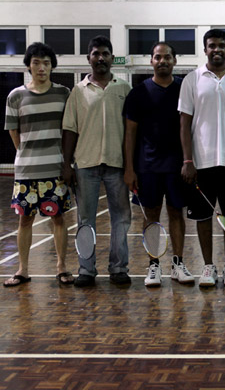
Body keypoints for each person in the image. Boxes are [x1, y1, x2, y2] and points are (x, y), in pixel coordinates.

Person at [179, 29, 225, 287]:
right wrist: (188, 161)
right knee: (202, 217)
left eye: (221, 45)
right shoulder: (192, 79)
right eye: (212, 45)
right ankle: (208, 267)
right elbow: (184, 123)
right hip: (202, 162)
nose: (216, 49)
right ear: (205, 49)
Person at [62, 35, 132, 287]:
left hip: (117, 164)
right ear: (88, 58)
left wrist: (131, 165)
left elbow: (131, 130)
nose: (100, 58)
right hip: (85, 165)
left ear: (112, 58)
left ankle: (119, 268)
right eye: (96, 54)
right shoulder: (78, 91)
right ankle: (86, 270)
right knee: (85, 220)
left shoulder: (124, 89)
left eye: (105, 53)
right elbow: (70, 129)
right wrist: (66, 165)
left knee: (121, 218)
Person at [123, 42, 194, 287]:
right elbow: (130, 133)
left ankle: (177, 264)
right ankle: (154, 265)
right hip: (147, 167)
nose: (162, 61)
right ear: (151, 61)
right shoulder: (138, 93)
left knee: (176, 213)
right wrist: (129, 169)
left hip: (177, 166)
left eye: (167, 57)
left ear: (175, 61)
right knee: (151, 215)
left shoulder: (184, 88)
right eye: (158, 57)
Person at [3, 42, 74, 286]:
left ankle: (62, 267)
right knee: (24, 220)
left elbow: (69, 129)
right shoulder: (16, 96)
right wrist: (26, 154)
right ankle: (22, 269)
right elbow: (14, 131)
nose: (41, 67)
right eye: (36, 63)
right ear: (28, 66)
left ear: (52, 66)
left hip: (55, 168)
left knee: (58, 219)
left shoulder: (63, 93)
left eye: (46, 63)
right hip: (26, 171)